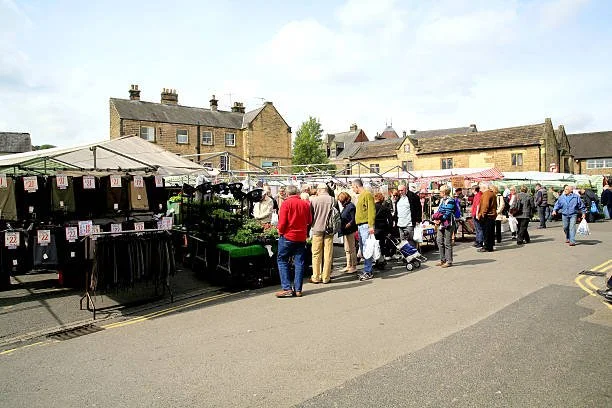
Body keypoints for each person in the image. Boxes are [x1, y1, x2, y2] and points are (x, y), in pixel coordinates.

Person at [275, 185, 312, 298]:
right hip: (301, 236)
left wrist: (280, 231)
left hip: (288, 236)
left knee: (282, 260)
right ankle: (298, 289)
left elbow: (282, 222)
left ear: (287, 193)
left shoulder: (286, 204)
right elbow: (309, 220)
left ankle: (287, 288)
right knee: (299, 262)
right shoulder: (305, 204)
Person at [309, 183, 336, 284]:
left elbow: (310, 216)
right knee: (328, 253)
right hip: (329, 229)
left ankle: (316, 276)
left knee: (316, 253)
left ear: (319, 190)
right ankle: (326, 277)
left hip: (317, 229)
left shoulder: (314, 200)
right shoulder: (333, 200)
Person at [352, 179, 376, 281]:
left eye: (353, 187)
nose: (352, 189)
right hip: (361, 226)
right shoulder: (361, 195)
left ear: (357, 186)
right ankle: (367, 269)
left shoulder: (367, 195)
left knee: (367, 249)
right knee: (363, 249)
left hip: (366, 225)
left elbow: (371, 210)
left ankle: (368, 271)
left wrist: (371, 225)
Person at [434, 185, 456, 267]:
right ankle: (442, 259)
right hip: (441, 224)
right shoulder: (442, 200)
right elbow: (439, 210)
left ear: (444, 192)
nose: (439, 193)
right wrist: (436, 218)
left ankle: (449, 261)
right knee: (439, 241)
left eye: (440, 191)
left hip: (448, 223)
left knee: (447, 242)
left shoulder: (450, 200)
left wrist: (439, 219)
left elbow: (448, 213)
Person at [337, 192, 357, 273]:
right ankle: (348, 265)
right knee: (347, 249)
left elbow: (353, 219)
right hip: (345, 231)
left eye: (341, 201)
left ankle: (353, 266)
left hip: (350, 230)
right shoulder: (346, 206)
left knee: (351, 248)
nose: (340, 203)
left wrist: (347, 225)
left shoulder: (351, 206)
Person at [374, 192, 393, 268]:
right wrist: (389, 231)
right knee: (382, 245)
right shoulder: (386, 208)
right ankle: (381, 261)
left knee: (375, 246)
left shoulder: (372, 207)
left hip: (374, 229)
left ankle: (376, 261)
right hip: (382, 229)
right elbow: (390, 221)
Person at [477, 182, 497, 252]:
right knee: (490, 233)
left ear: (484, 187)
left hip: (487, 216)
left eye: (480, 188)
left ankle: (486, 247)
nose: (480, 189)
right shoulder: (492, 193)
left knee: (486, 233)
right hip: (491, 216)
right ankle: (489, 247)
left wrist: (482, 215)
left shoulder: (486, 194)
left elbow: (485, 206)